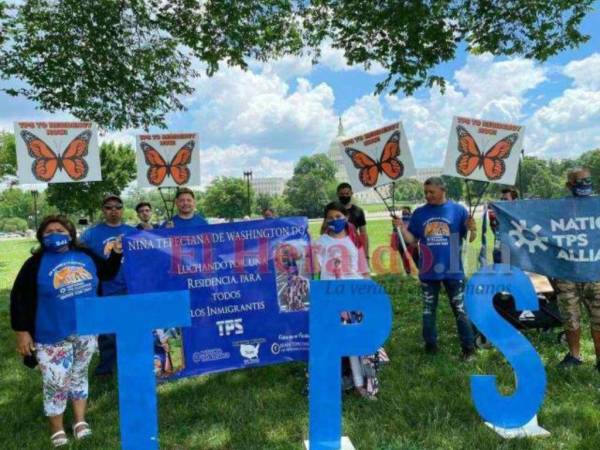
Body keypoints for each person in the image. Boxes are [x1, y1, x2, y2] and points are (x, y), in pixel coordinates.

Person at [10, 215, 122, 447]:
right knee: (56, 381)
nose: (54, 234)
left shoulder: (86, 255)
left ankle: (80, 421)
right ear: (41, 236)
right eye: (48, 231)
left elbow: (108, 273)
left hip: (86, 328)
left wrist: (117, 253)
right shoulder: (35, 264)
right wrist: (21, 331)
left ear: (70, 234)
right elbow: (19, 298)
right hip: (51, 331)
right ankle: (57, 428)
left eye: (59, 229)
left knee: (79, 374)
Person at [395, 177, 477, 360]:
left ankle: (469, 348)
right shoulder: (420, 213)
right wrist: (401, 228)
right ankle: (430, 347)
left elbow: (470, 238)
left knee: (460, 309)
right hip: (428, 269)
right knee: (428, 310)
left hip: (453, 268)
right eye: (426, 192)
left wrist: (474, 229)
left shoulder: (458, 211)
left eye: (431, 192)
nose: (428, 195)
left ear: (443, 190)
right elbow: (412, 240)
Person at [314, 201, 386, 399]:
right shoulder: (321, 243)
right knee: (339, 343)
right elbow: (316, 271)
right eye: (331, 217)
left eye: (339, 217)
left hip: (356, 296)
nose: (335, 221)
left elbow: (363, 270)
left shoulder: (355, 240)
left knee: (361, 343)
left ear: (346, 217)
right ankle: (343, 382)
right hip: (333, 299)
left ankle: (365, 384)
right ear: (326, 220)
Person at [80, 194, 136, 377]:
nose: (113, 211)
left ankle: (131, 365)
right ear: (103, 210)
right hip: (105, 289)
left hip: (131, 287)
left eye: (117, 207)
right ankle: (105, 368)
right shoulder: (90, 234)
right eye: (109, 207)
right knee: (108, 333)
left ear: (122, 209)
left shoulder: (133, 231)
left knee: (131, 328)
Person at [555, 167, 600, 370]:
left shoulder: (597, 205)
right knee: (570, 316)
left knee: (598, 317)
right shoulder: (559, 208)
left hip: (594, 271)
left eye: (587, 180)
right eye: (579, 181)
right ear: (569, 185)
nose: (584, 184)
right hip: (568, 272)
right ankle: (574, 356)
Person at [332, 183, 370, 260]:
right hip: (336, 248)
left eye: (347, 193)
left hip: (354, 247)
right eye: (342, 194)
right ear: (337, 194)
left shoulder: (358, 211)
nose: (345, 196)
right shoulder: (332, 210)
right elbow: (326, 230)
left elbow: (363, 234)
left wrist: (365, 255)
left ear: (351, 193)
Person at [489, 187, 519, 263]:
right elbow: (494, 231)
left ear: (514, 201)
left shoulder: (519, 215)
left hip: (515, 251)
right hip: (499, 249)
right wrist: (493, 220)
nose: (502, 202)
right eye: (501, 199)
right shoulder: (496, 214)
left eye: (505, 199)